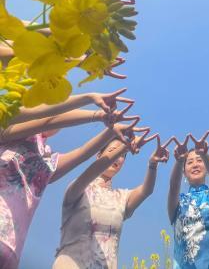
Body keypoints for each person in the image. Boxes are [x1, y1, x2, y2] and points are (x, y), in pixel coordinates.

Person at [0, 92, 141, 269]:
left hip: (12, 252)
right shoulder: (7, 130)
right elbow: (49, 119)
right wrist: (92, 105)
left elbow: (83, 153)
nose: (55, 113)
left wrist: (111, 130)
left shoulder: (47, 163)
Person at [53, 133, 169, 268]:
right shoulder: (79, 188)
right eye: (113, 151)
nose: (118, 157)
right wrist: (125, 147)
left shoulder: (121, 197)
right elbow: (89, 173)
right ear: (98, 155)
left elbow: (146, 190)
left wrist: (153, 164)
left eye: (122, 156)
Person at [167, 134, 209, 268]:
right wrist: (179, 160)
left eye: (200, 160)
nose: (195, 164)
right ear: (184, 172)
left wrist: (205, 154)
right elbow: (173, 186)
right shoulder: (179, 203)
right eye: (189, 162)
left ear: (207, 167)